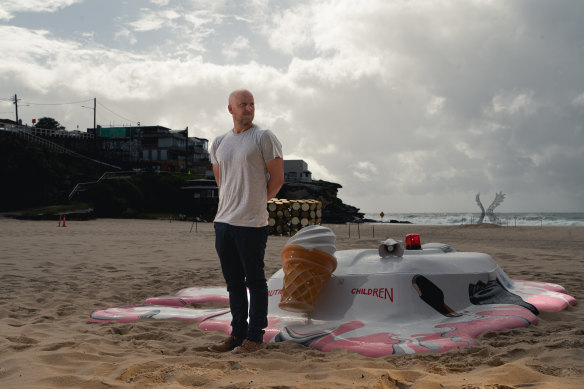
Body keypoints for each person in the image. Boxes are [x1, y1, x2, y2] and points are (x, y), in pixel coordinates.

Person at [207, 89, 284, 354]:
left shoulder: (264, 137)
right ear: (230, 109)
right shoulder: (218, 142)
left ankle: (254, 336)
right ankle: (237, 333)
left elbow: (277, 178)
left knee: (255, 280)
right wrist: (232, 202)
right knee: (234, 283)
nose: (249, 108)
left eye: (252, 104)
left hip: (252, 223)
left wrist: (256, 202)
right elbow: (221, 180)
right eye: (243, 104)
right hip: (223, 222)